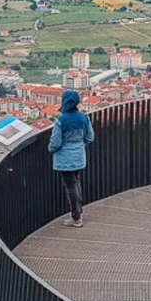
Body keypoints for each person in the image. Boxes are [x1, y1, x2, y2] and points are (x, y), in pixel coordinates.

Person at [48, 89, 95, 228]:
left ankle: (76, 216)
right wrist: (79, 145)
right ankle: (78, 212)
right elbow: (90, 137)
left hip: (64, 159)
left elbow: (55, 142)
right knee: (76, 183)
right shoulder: (84, 117)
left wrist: (51, 150)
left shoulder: (61, 120)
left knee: (70, 187)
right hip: (79, 156)